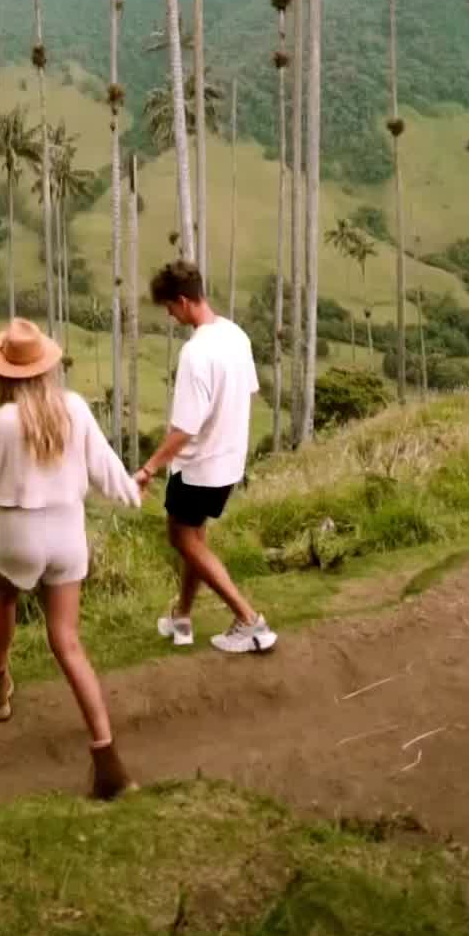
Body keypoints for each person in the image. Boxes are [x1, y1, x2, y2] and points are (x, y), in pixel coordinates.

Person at [0, 315, 141, 800]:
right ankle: (107, 756)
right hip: (68, 532)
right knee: (67, 642)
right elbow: (105, 465)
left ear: (5, 373)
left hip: (18, 534)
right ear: (47, 368)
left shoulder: (2, 422)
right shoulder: (72, 408)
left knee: (6, 599)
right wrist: (131, 491)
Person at [135, 260, 277, 655]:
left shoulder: (196, 353)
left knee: (181, 537)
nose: (168, 314)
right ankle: (181, 615)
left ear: (183, 301)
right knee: (193, 537)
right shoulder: (236, 335)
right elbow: (246, 391)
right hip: (229, 462)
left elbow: (185, 428)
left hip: (199, 467)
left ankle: (249, 620)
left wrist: (149, 468)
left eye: (169, 307)